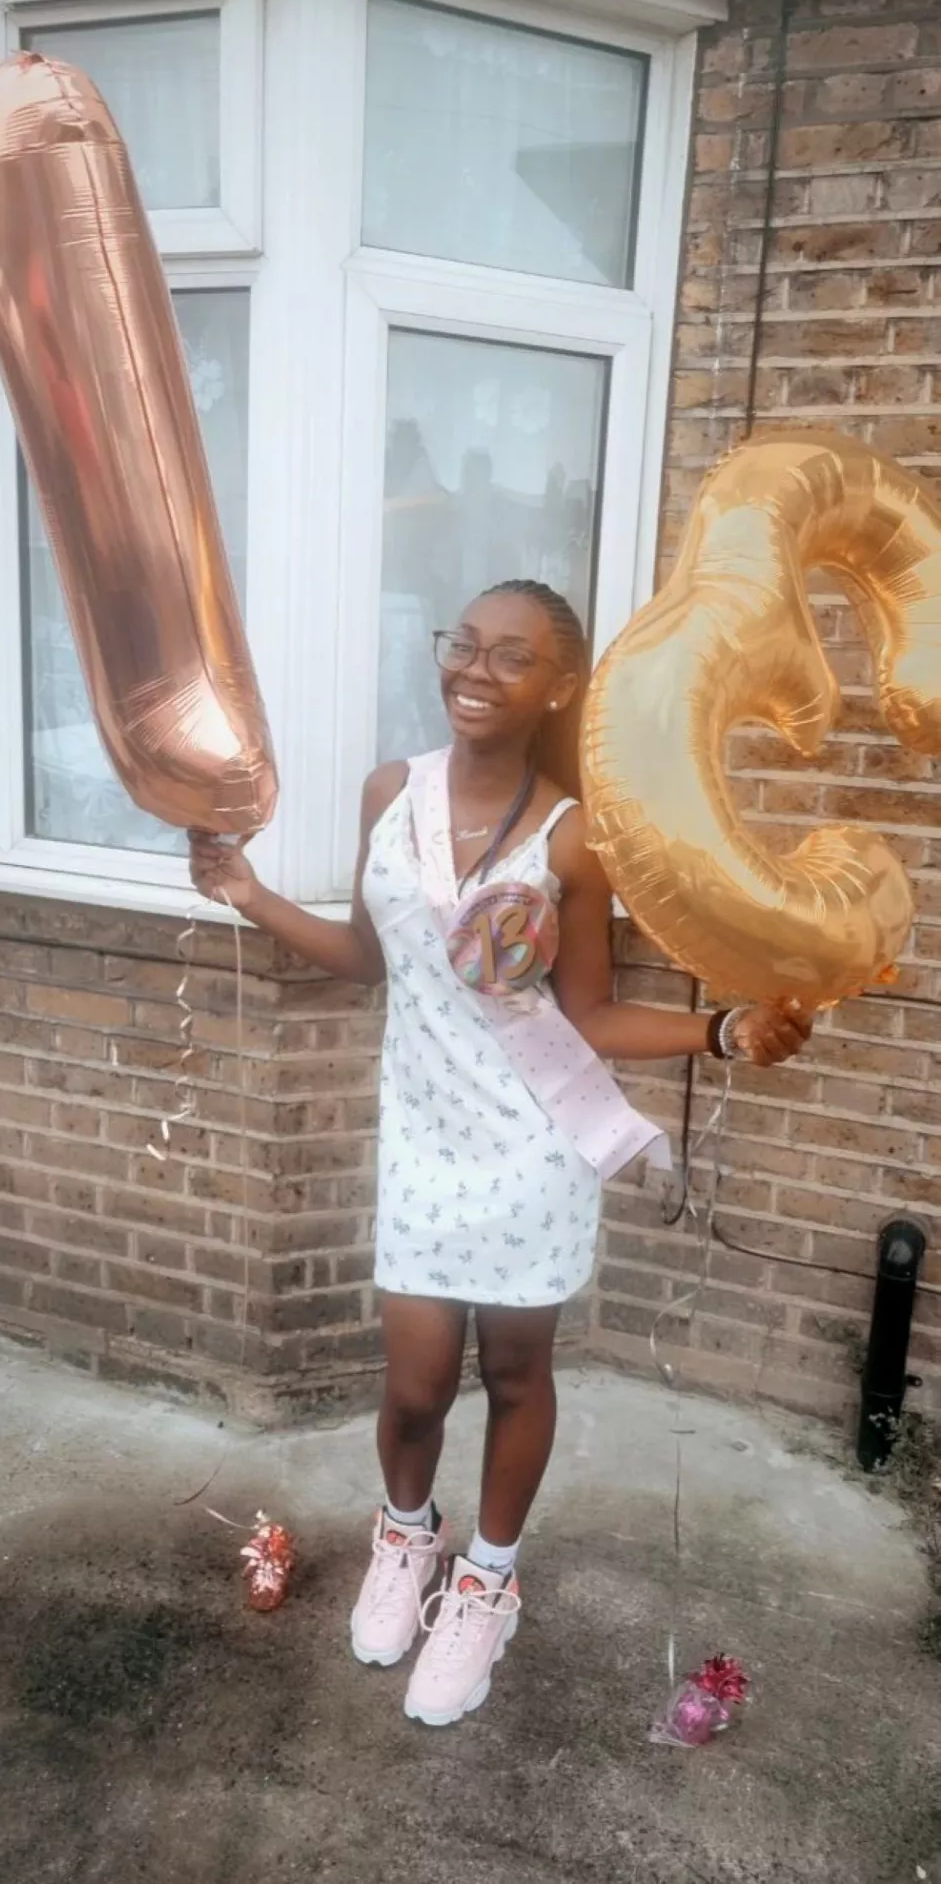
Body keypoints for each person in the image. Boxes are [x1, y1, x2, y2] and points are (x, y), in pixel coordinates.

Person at [190, 579, 811, 1730]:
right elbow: (372, 956)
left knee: (517, 1376)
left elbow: (588, 1011)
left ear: (557, 684)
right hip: (422, 1143)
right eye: (461, 644)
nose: (474, 670)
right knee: (416, 1385)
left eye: (508, 656)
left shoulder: (574, 834)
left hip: (531, 1145)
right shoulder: (392, 790)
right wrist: (247, 891)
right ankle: (404, 1540)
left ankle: (485, 1579)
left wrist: (720, 1030)